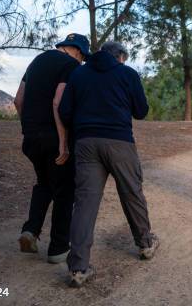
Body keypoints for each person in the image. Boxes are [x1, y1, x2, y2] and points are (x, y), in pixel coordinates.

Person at [59, 41, 158, 288]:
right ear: (120, 57)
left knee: (84, 204)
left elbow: (65, 111)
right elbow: (141, 111)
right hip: (119, 142)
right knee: (131, 193)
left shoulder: (79, 73)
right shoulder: (127, 73)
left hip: (86, 143)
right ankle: (145, 244)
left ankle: (78, 269)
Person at [13, 33, 90, 263]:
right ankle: (57, 248)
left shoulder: (36, 62)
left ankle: (31, 230)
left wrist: (28, 127)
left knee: (44, 183)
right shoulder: (70, 65)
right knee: (65, 190)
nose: (82, 62)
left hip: (31, 137)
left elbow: (18, 100)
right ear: (77, 51)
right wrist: (63, 143)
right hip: (54, 137)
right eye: (82, 58)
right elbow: (58, 102)